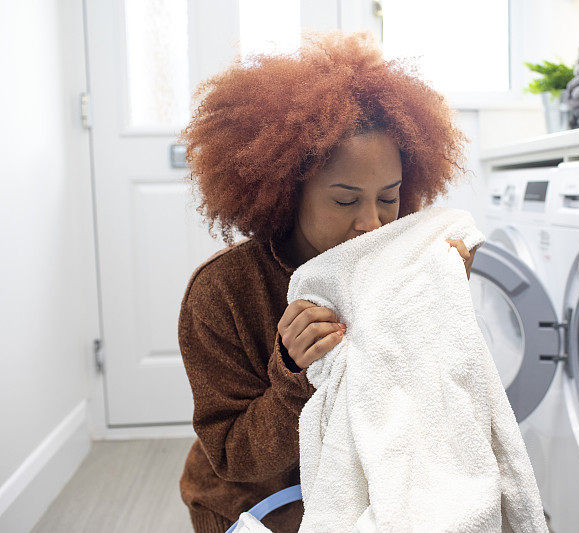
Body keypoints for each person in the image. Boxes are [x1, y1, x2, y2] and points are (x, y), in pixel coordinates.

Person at [177, 30, 480, 532]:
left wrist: (438, 299)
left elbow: (424, 396)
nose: (373, 223)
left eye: (390, 197)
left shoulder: (401, 261)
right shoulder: (221, 293)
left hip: (370, 481)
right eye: (345, 200)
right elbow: (233, 457)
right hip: (253, 499)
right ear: (287, 191)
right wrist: (296, 373)